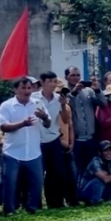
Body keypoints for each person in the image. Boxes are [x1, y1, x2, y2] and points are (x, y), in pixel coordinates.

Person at [0, 75, 47, 216]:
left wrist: (44, 117)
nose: (27, 91)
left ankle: (32, 208)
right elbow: (4, 127)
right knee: (10, 183)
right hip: (13, 151)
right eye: (23, 88)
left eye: (29, 87)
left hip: (33, 151)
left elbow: (47, 124)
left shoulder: (37, 103)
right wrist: (22, 124)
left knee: (37, 182)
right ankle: (9, 210)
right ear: (15, 90)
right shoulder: (7, 106)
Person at [35, 72, 73, 209]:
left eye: (54, 81)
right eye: (50, 81)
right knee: (39, 173)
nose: (53, 84)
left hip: (54, 138)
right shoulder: (34, 98)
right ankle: (37, 204)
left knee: (58, 172)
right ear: (43, 82)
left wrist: (63, 105)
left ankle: (56, 202)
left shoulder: (59, 98)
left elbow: (65, 120)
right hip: (38, 140)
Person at [67, 67, 101, 181]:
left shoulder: (89, 91)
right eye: (72, 75)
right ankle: (75, 195)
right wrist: (74, 92)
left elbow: (104, 103)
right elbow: (67, 106)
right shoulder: (64, 92)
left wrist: (97, 89)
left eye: (78, 75)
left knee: (91, 167)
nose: (76, 78)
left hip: (90, 138)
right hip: (75, 139)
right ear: (66, 77)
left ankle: (88, 193)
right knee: (75, 169)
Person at [79, 139, 111, 206]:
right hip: (86, 192)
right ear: (100, 152)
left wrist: (110, 179)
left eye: (110, 150)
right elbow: (105, 180)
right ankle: (94, 201)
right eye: (106, 150)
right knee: (99, 180)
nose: (109, 152)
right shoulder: (95, 162)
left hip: (103, 188)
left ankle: (109, 198)